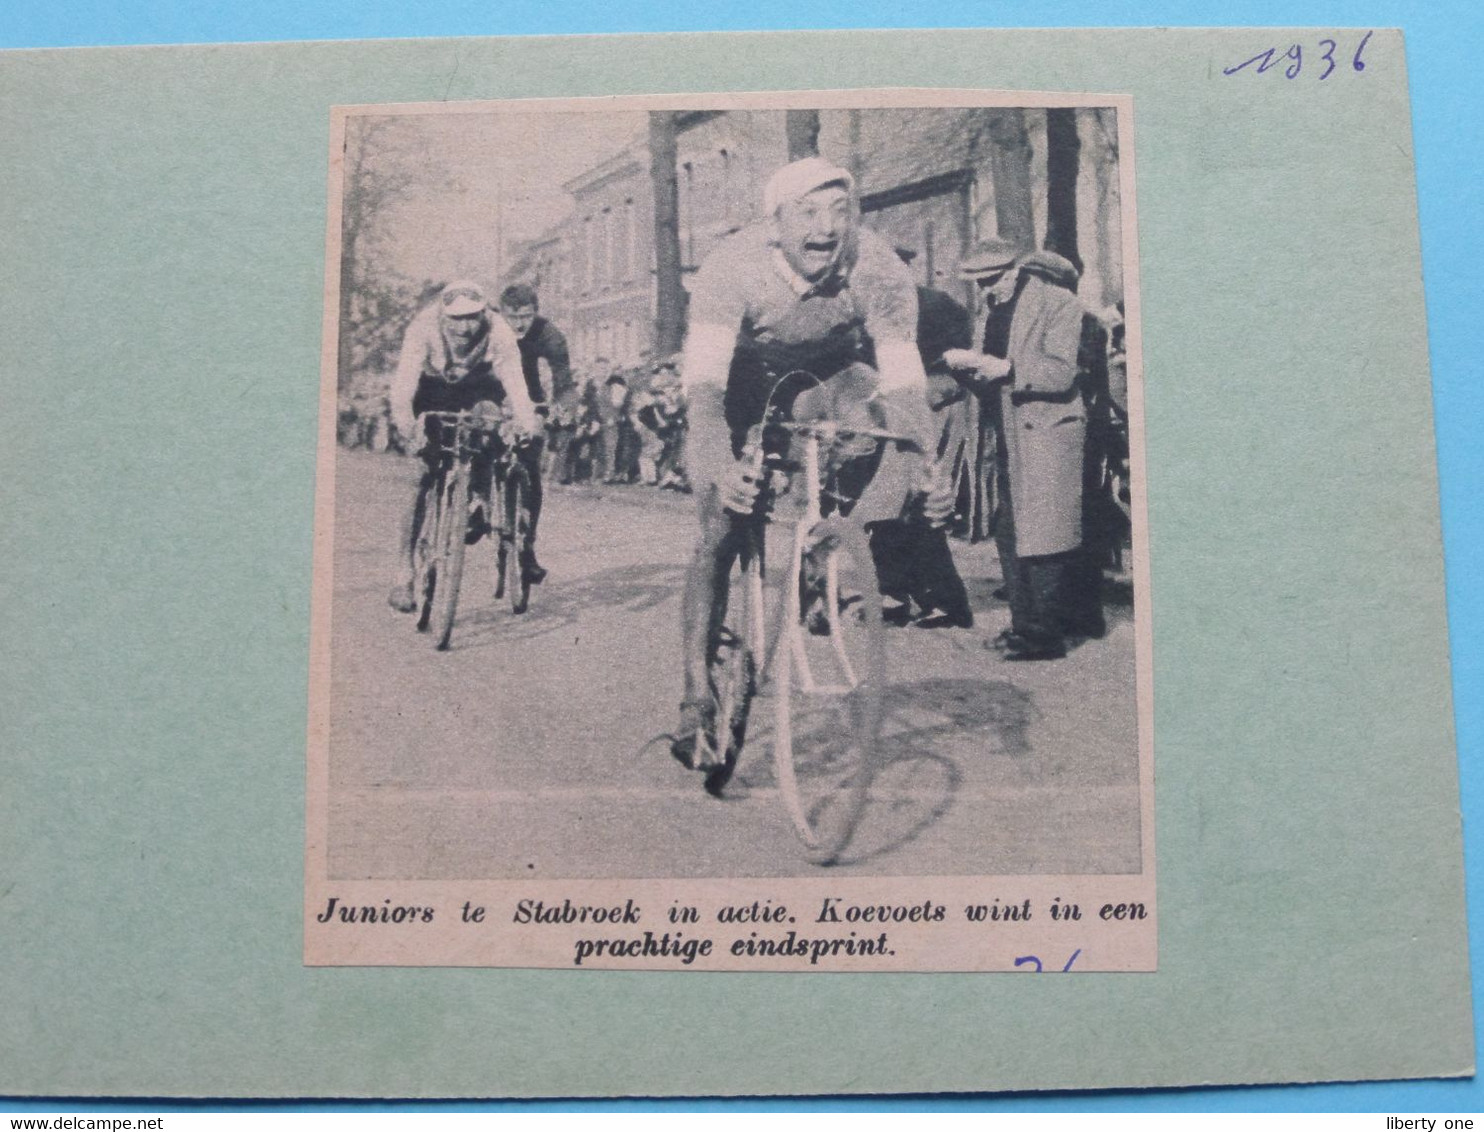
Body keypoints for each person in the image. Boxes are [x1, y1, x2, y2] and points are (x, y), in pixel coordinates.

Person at [671, 155, 934, 771]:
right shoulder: (730, 266)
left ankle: (827, 543)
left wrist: (918, 462)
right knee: (718, 530)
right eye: (808, 213)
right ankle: (692, 698)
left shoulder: (879, 268)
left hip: (830, 372)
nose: (827, 227)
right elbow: (703, 391)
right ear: (775, 224)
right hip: (740, 379)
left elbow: (903, 379)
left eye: (840, 211)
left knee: (878, 422)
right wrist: (719, 461)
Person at [943, 245, 1101, 660]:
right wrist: (967, 369)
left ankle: (1045, 635)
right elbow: (989, 374)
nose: (985, 289)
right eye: (978, 282)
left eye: (992, 279)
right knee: (1010, 530)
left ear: (1014, 271)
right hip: (1004, 433)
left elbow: (1063, 372)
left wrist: (1008, 369)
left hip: (1045, 430)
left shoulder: (1060, 304)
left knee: (1044, 533)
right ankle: (1023, 625)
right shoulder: (990, 309)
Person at [386, 280, 540, 612]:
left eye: (472, 317)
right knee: (423, 476)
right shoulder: (422, 327)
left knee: (489, 426)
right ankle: (404, 572)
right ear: (442, 316)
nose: (465, 327)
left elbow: (514, 380)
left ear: (484, 313)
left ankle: (478, 498)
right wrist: (406, 424)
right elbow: (404, 381)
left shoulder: (499, 331)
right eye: (456, 319)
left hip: (478, 389)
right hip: (432, 388)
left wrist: (526, 423)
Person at [498, 284, 572, 584]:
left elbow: (564, 379)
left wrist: (562, 407)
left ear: (535, 314)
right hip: (490, 393)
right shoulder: (490, 328)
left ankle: (527, 549)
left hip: (529, 399)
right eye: (512, 316)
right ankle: (475, 501)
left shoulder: (548, 334)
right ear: (501, 313)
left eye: (526, 316)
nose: (518, 324)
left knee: (530, 470)